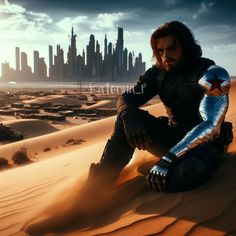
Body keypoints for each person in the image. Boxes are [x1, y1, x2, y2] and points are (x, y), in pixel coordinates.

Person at [88, 21, 233, 193]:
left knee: (190, 171)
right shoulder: (157, 74)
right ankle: (98, 187)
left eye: (172, 49)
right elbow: (126, 97)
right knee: (126, 118)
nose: (165, 56)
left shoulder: (211, 73)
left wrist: (169, 158)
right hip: (172, 138)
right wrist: (129, 117)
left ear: (186, 48)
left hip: (204, 146)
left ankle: (147, 189)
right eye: (160, 51)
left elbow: (211, 126)